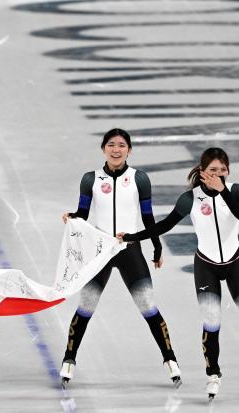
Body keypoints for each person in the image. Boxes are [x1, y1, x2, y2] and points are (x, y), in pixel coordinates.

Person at [117, 147, 239, 399]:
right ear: (202, 171)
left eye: (222, 170)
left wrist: (223, 191)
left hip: (235, 262)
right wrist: (132, 237)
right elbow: (165, 224)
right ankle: (213, 374)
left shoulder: (237, 190)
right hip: (206, 265)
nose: (218, 174)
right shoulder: (190, 198)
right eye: (212, 170)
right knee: (212, 322)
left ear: (228, 171)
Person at [60, 128, 181, 388]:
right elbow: (83, 212)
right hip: (100, 251)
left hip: (130, 250)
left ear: (130, 150)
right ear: (103, 148)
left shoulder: (140, 179)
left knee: (148, 307)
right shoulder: (90, 179)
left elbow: (148, 218)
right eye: (112, 144)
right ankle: (69, 358)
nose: (116, 149)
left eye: (122, 145)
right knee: (86, 308)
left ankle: (169, 358)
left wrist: (157, 246)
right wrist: (71, 216)